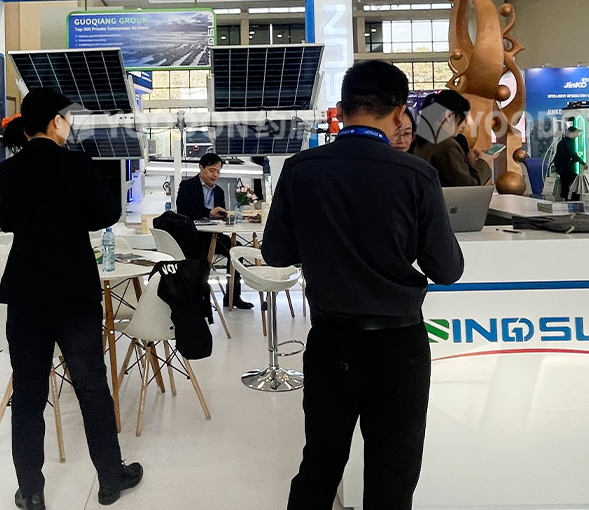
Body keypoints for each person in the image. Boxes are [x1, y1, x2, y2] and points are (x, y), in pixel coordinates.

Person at [262, 60, 464, 510]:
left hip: (330, 342)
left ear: (341, 109)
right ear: (399, 112)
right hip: (399, 347)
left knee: (319, 466)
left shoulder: (299, 169)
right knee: (393, 477)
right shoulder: (416, 175)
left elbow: (275, 253)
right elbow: (447, 269)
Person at [0, 88, 143, 509]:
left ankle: (31, 490)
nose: (70, 123)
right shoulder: (77, 164)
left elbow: (7, 221)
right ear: (54, 122)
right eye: (66, 117)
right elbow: (107, 214)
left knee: (27, 393)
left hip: (26, 292)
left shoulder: (11, 169)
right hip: (74, 291)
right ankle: (110, 479)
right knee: (91, 386)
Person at [176, 153, 253, 310]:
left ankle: (233, 296)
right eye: (212, 170)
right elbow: (183, 210)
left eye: (218, 171)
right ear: (201, 168)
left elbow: (219, 215)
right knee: (198, 259)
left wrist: (224, 216)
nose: (215, 175)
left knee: (237, 250)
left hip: (214, 236)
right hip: (193, 238)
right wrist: (208, 212)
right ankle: (199, 299)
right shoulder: (187, 186)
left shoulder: (219, 191)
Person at [412, 89, 490, 186]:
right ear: (448, 116)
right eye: (463, 119)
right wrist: (484, 163)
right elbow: (468, 187)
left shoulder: (423, 141)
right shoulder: (447, 146)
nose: (464, 126)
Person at [553, 124, 588, 200]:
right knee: (576, 181)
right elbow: (572, 154)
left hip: (561, 168)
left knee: (565, 184)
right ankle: (574, 200)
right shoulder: (568, 142)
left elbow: (565, 155)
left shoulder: (562, 142)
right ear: (572, 133)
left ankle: (564, 199)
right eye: (576, 133)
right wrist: (583, 163)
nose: (577, 135)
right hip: (565, 168)